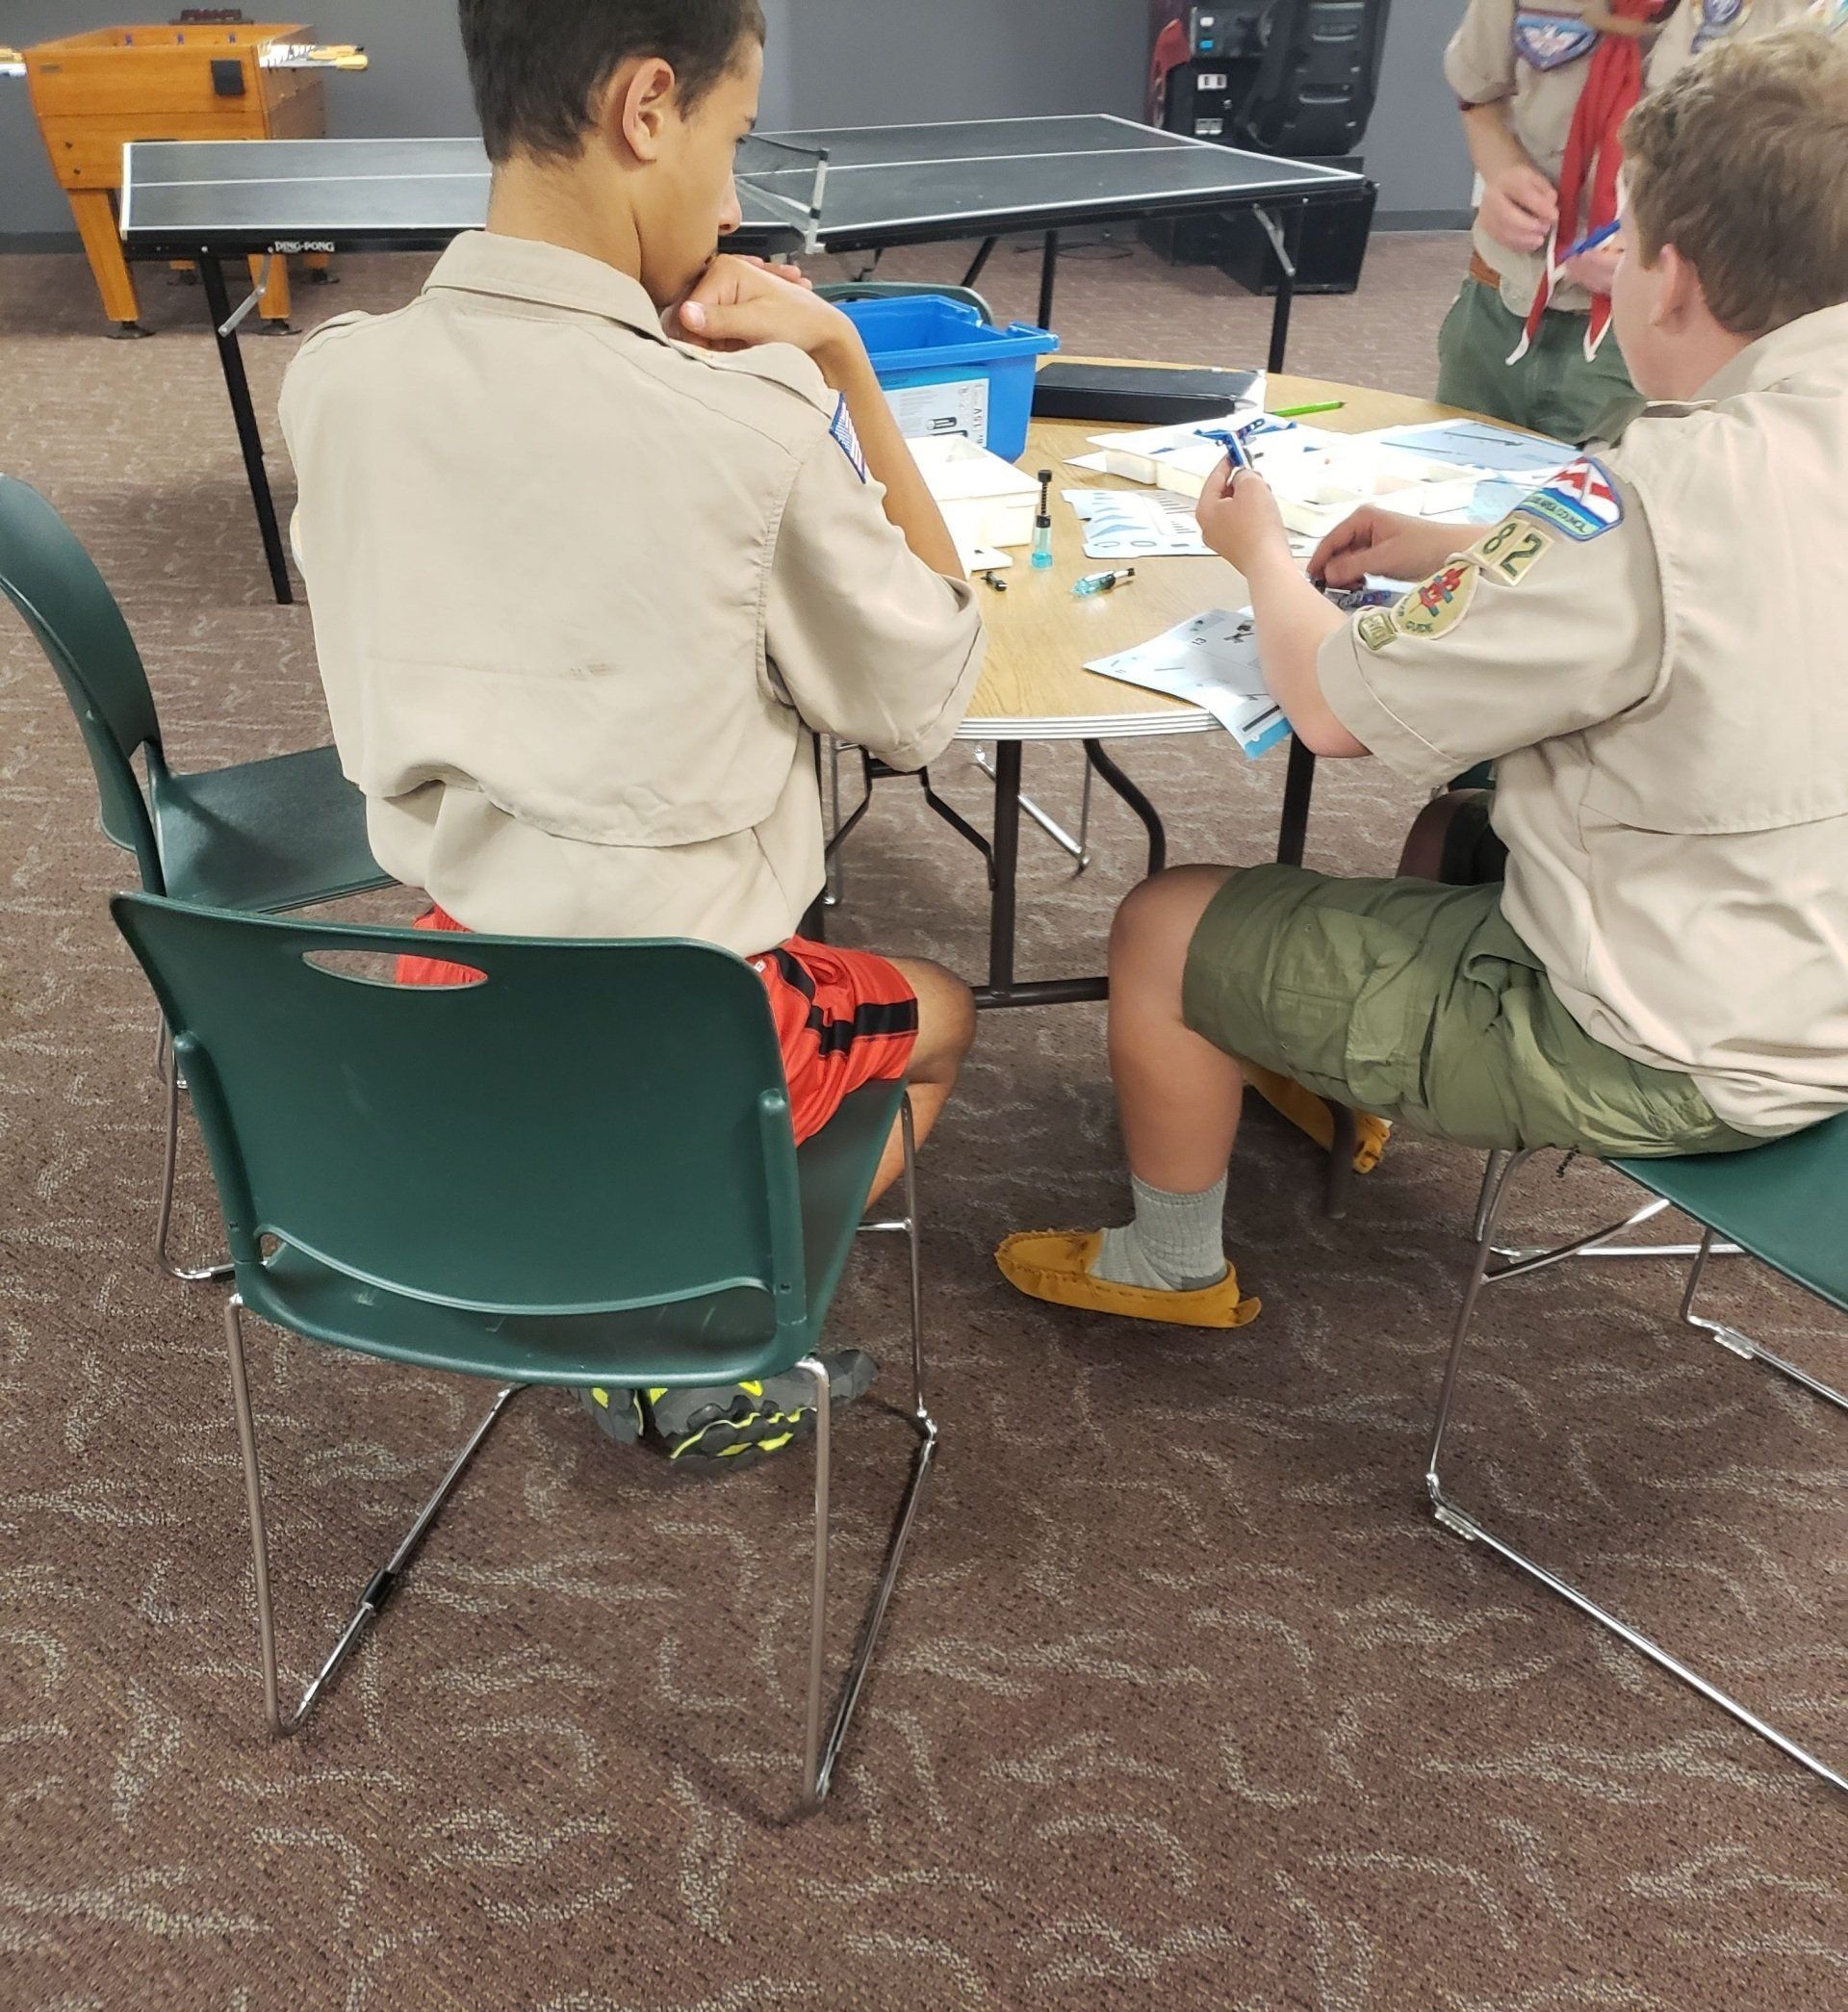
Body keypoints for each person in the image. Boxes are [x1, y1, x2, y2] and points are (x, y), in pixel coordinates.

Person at [997, 27, 1848, 1331]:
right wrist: (1461, 549)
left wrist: (1258, 550)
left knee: (1161, 927)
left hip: (1676, 1043)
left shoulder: (1657, 495)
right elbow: (1736, 591)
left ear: (1666, 282)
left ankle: (1169, 1264)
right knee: (1459, 831)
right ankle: (1325, 1064)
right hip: (1812, 977)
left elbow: (1333, 705)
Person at [279, 0, 983, 1465]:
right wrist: (839, 362)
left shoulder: (334, 382)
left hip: (446, 983)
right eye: (730, 144)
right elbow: (917, 699)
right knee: (944, 1015)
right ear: (647, 110)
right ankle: (706, 1336)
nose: (733, 206)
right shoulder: (755, 419)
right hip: (687, 1028)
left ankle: (602, 1250)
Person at [1439, 0, 1814, 443]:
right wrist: (1501, 171)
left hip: (1662, 333)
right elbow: (1477, 95)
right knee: (1448, 486)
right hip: (1501, 302)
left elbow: (1809, 187)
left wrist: (1648, 252)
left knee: (1616, 500)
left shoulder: (1802, 13)